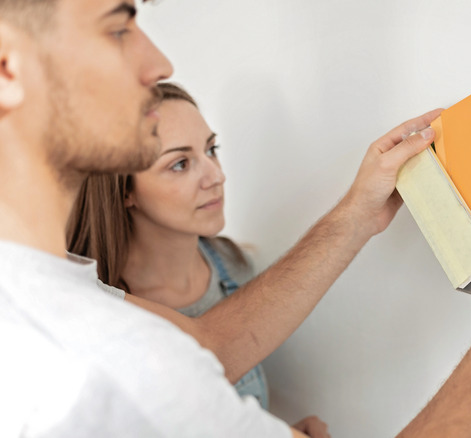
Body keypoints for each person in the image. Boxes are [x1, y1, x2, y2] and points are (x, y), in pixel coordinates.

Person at [0, 1, 471, 437]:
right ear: (8, 66)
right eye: (117, 27)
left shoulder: (52, 304)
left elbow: (208, 351)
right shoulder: (113, 363)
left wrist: (357, 213)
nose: (158, 61)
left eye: (210, 152)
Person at [67, 81, 327, 436]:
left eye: (211, 149)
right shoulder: (95, 309)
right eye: (180, 164)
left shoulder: (235, 267)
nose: (216, 176)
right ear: (125, 190)